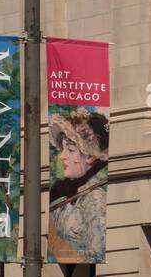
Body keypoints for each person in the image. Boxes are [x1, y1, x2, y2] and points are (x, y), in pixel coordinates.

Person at [47, 108, 110, 263]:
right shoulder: (66, 192)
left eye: (70, 150)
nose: (62, 156)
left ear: (90, 157)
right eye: (62, 149)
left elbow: (97, 254)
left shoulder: (94, 197)